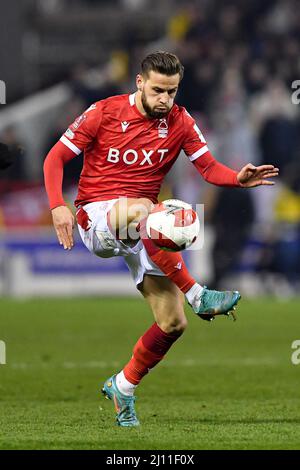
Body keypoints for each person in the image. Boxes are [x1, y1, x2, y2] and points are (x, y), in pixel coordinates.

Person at [43, 51, 279, 427]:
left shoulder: (181, 121)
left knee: (172, 324)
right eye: (157, 90)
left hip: (145, 227)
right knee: (148, 208)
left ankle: (123, 385)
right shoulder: (103, 112)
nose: (165, 99)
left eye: (171, 92)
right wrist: (57, 205)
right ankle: (199, 292)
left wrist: (237, 178)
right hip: (99, 217)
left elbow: (208, 167)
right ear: (139, 83)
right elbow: (55, 158)